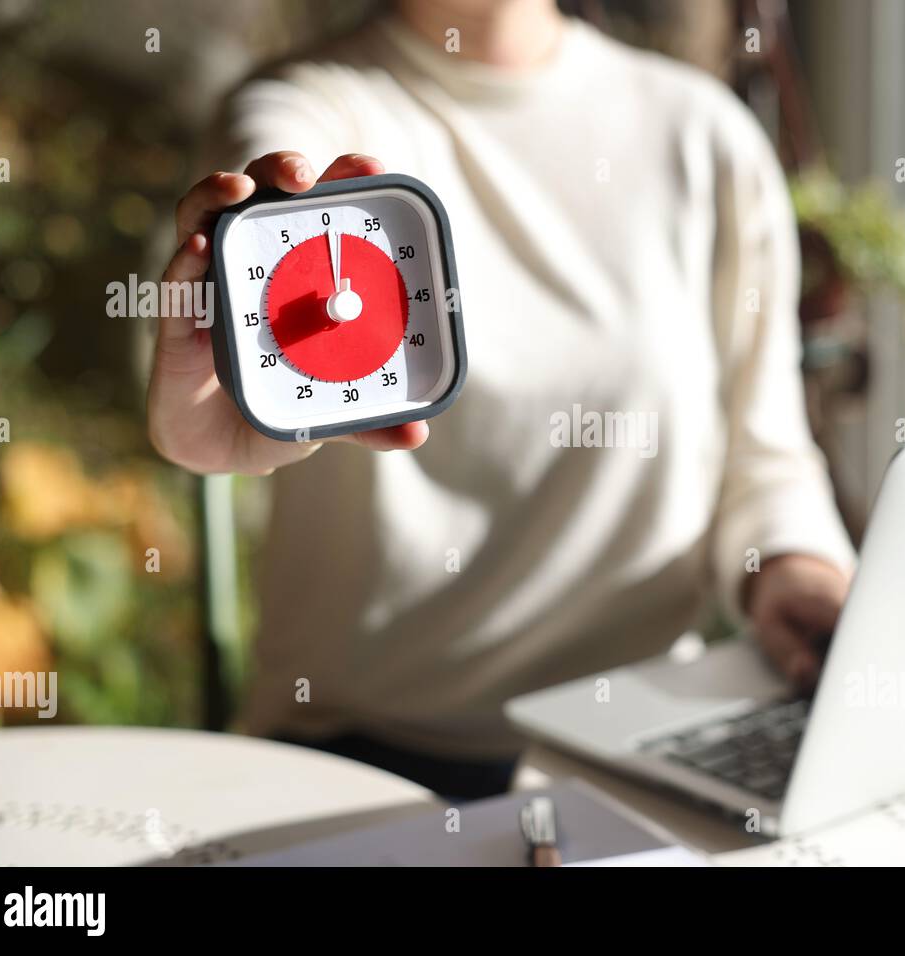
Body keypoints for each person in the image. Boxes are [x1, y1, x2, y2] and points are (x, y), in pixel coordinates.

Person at [149, 0, 854, 799]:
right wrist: (259, 320)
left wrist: (795, 570)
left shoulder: (704, 135)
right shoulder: (313, 107)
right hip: (361, 760)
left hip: (643, 742)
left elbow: (764, 457)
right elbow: (274, 186)